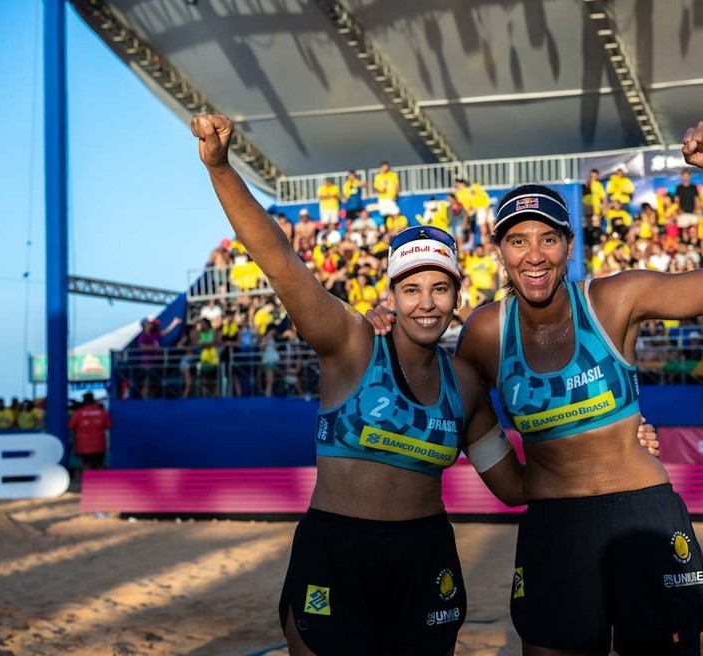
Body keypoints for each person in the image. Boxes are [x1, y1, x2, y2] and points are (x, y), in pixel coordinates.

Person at [192, 113, 661, 656]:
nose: (426, 302)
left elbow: (513, 487)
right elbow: (277, 257)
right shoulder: (350, 344)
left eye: (440, 288)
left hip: (424, 554)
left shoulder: (463, 385)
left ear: (458, 297)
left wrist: (613, 454)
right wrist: (222, 168)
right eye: (411, 289)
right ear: (390, 293)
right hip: (337, 549)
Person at [369, 121, 703, 655]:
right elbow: (443, 395)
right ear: (499, 253)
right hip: (554, 529)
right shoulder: (487, 332)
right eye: (517, 240)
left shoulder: (615, 299)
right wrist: (388, 334)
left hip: (641, 514)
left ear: (568, 245)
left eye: (548, 238)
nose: (534, 255)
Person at [68, 392, 113, 471]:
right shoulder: (102, 412)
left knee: (86, 465)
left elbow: (71, 426)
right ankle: (102, 482)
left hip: (83, 445)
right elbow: (109, 425)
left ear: (84, 401)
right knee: (99, 465)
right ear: (93, 401)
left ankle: (87, 481)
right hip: (99, 444)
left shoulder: (78, 413)